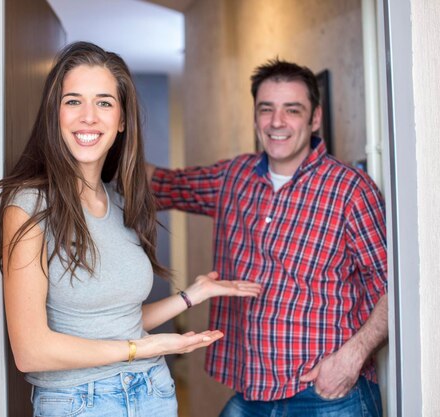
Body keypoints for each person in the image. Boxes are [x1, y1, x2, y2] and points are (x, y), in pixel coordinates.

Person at [0, 41, 261, 417]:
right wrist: (142, 348)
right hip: (79, 402)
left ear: (122, 120)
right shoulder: (30, 206)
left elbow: (118, 321)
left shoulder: (120, 201)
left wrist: (191, 295)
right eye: (73, 101)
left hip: (153, 392)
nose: (88, 116)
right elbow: (31, 351)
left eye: (103, 102)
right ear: (55, 114)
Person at [147, 58, 387, 416]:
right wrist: (101, 140)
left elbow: (392, 286)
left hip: (331, 394)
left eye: (292, 110)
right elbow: (158, 184)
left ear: (315, 118)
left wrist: (351, 358)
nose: (277, 122)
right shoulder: (233, 177)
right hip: (251, 393)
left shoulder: (350, 189)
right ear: (256, 116)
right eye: (266, 109)